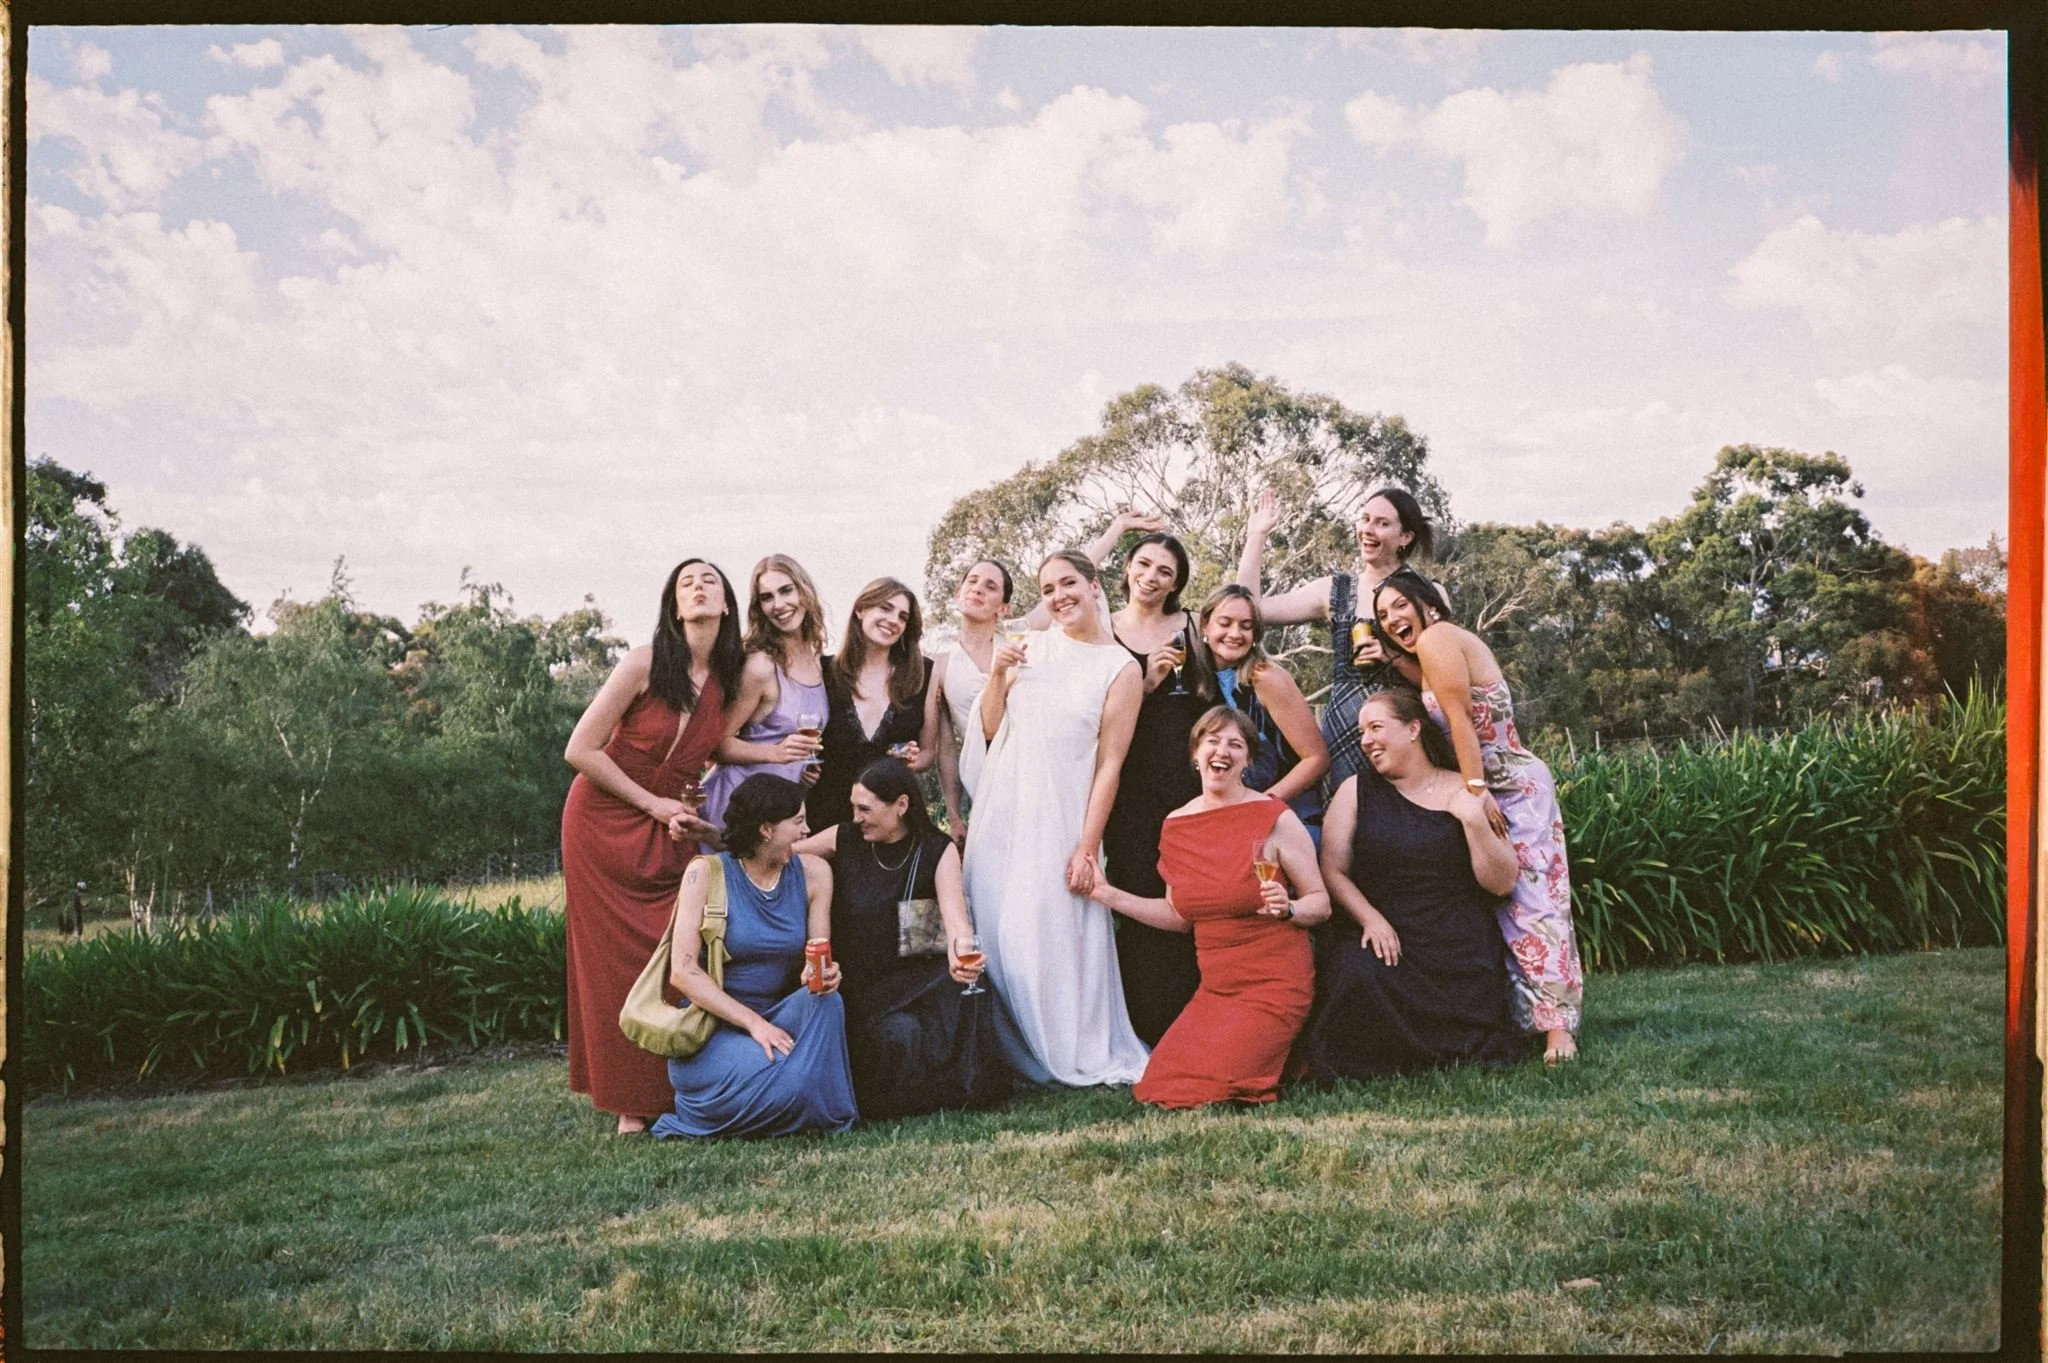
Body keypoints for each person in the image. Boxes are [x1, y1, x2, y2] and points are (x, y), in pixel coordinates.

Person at [1371, 566, 1584, 1064]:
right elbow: (1439, 693)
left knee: (1536, 900)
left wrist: (1474, 791)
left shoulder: (1439, 637)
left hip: (1509, 786)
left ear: (1429, 604)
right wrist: (1394, 660)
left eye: (1401, 605)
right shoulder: (1430, 649)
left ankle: (1558, 1031)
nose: (1392, 619)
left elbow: (1461, 720)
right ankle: (1522, 1016)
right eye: (1383, 615)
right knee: (1500, 904)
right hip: (1489, 784)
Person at [561, 558, 745, 1134]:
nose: (697, 586)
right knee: (613, 968)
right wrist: (652, 804)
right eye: (686, 582)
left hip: (671, 824)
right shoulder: (643, 663)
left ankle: (680, 1088)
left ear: (727, 605)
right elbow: (581, 749)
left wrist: (688, 809)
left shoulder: (730, 679)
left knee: (675, 951)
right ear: (673, 606)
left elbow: (718, 753)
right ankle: (628, 1106)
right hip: (603, 821)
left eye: (709, 579)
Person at [960, 550, 1150, 1087]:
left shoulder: (1121, 668)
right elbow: (991, 729)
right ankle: (1002, 1051)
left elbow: (1110, 764)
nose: (1060, 596)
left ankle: (1065, 1046)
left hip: (1064, 813)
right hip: (1006, 809)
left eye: (1069, 583)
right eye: (1048, 589)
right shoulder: (1028, 648)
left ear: (1094, 586)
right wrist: (997, 676)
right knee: (999, 927)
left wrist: (1087, 845)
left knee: (1044, 931)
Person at [1089, 707, 1330, 1108]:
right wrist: (1107, 894)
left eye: (1235, 744)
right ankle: (1283, 1055)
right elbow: (1179, 916)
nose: (1223, 751)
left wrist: (1288, 908)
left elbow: (1320, 905)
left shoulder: (1274, 817)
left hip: (1275, 982)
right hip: (1217, 989)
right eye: (1212, 741)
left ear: (1248, 760)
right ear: (1195, 754)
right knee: (1159, 1084)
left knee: (1207, 1089)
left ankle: (1282, 1047)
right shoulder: (1176, 826)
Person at [1299, 688, 1533, 1082]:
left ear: (1413, 729)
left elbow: (1502, 882)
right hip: (1385, 931)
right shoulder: (1355, 790)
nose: (1366, 741)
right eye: (1361, 733)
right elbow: (1333, 871)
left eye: (1376, 727)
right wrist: (1370, 920)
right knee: (1356, 971)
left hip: (1456, 941)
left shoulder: (1465, 788)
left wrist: (1474, 822)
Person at [794, 757, 1013, 1119]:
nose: (856, 817)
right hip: (862, 980)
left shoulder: (934, 849)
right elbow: (781, 855)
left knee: (972, 987)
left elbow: (956, 920)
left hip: (916, 975)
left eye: (865, 808)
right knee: (900, 1031)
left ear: (901, 805)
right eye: (853, 807)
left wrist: (962, 957)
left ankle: (968, 1087)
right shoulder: (842, 838)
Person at [653, 774, 857, 1138]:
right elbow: (682, 973)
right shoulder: (705, 873)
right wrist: (754, 1025)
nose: (807, 831)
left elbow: (817, 955)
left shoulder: (814, 874)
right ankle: (795, 1094)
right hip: (711, 1031)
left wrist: (827, 975)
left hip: (778, 1020)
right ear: (766, 829)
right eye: (797, 822)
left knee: (828, 1002)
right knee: (795, 1082)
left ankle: (792, 1094)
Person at [1234, 484, 1438, 808]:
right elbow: (1244, 609)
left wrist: (1393, 658)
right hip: (1344, 729)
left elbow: (1446, 679)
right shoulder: (1336, 589)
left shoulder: (1428, 592)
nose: (1368, 530)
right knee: (1343, 823)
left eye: (1382, 523)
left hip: (1406, 730)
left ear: (1405, 537)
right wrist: (1257, 536)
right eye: (1365, 519)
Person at [701, 554, 830, 830]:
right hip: (733, 809)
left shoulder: (817, 661)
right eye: (767, 597)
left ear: (803, 591)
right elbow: (715, 745)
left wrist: (801, 771)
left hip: (775, 815)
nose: (779, 605)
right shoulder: (761, 666)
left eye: (786, 591)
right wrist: (776, 754)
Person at [1190, 584, 1331, 834]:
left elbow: (1316, 759)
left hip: (1287, 819)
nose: (1235, 633)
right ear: (1204, 625)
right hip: (1230, 820)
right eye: (1225, 623)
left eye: (1246, 626)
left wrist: (1259, 805)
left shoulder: (1265, 678)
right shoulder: (1199, 680)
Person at [806, 577, 936, 832]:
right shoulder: (822, 671)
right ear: (860, 609)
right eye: (885, 608)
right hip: (825, 816)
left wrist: (911, 759)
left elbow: (928, 754)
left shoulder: (924, 674)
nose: (893, 621)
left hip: (892, 824)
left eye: (902, 616)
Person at [925, 558, 1014, 849]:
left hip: (1030, 767)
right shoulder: (940, 663)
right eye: (972, 581)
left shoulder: (1017, 642)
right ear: (957, 592)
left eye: (990, 586)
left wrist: (1117, 528)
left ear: (1003, 609)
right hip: (984, 776)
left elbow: (1069, 578)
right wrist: (954, 815)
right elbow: (947, 745)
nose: (978, 589)